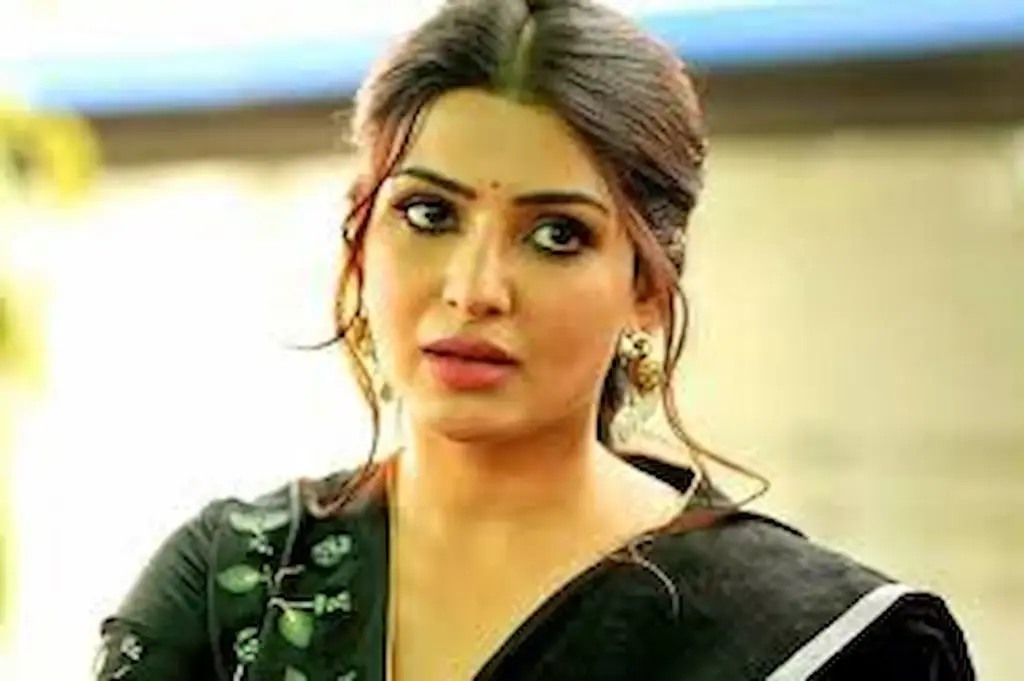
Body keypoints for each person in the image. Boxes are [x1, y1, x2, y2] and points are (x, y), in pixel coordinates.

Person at [95, 1, 976, 679]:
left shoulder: (822, 644)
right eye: (428, 214)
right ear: (360, 240)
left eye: (556, 234)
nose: (475, 288)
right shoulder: (233, 586)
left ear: (646, 286)